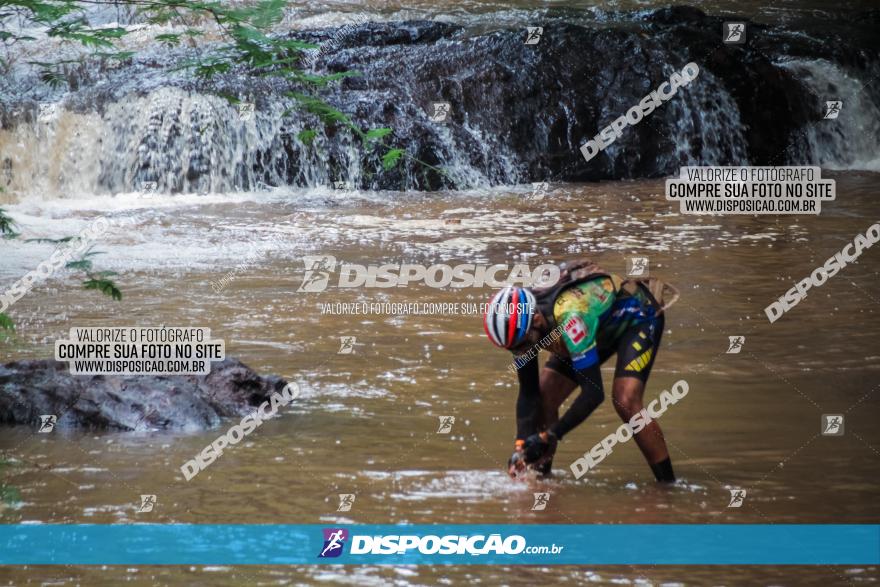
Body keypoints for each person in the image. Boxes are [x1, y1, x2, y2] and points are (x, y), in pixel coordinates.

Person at [482, 259, 678, 482]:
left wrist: (551, 435)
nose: (522, 351)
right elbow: (529, 394)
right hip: (593, 329)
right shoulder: (519, 331)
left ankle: (668, 486)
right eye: (514, 349)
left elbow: (593, 394)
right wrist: (521, 447)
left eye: (524, 345)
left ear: (536, 319)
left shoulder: (569, 317)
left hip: (637, 317)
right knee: (545, 395)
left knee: (625, 400)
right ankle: (542, 481)